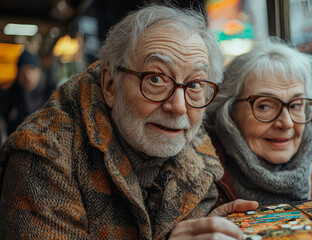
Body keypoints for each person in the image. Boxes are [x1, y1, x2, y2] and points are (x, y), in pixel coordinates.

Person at [0, 4, 258, 239]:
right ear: (110, 85)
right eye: (156, 79)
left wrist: (206, 228)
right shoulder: (43, 153)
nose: (179, 107)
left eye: (195, 84)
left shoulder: (202, 148)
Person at [206, 37, 312, 207]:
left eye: (295, 105)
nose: (286, 123)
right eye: (264, 106)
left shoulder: (310, 160)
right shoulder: (204, 178)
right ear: (231, 112)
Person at [0, 49, 56, 138]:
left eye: (32, 69)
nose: (27, 75)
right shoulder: (9, 96)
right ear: (18, 74)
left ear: (39, 71)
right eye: (23, 70)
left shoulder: (53, 94)